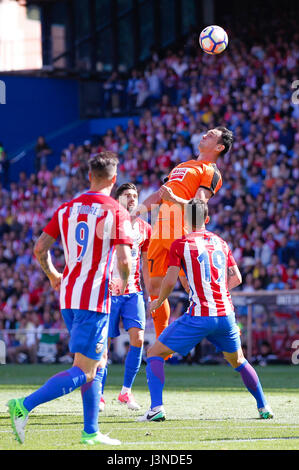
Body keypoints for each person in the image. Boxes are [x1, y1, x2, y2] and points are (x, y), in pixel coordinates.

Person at [7, 152, 133, 446]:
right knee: (85, 369)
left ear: (90, 176)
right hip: (93, 299)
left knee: (97, 363)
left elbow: (40, 248)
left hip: (69, 297)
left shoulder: (67, 209)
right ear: (114, 180)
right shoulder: (116, 212)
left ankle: (90, 432)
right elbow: (125, 261)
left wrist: (53, 275)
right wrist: (122, 282)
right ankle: (24, 405)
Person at [138, 199, 273, 422]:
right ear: (207, 219)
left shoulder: (180, 244)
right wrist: (215, 291)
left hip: (200, 315)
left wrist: (159, 300)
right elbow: (237, 278)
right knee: (239, 360)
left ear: (184, 220)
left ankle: (156, 408)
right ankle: (264, 406)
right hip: (226, 315)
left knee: (154, 353)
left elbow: (170, 280)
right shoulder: (221, 242)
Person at [133, 127, 233, 340]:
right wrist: (135, 213)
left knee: (193, 288)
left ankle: (219, 333)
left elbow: (199, 206)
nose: (205, 134)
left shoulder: (210, 171)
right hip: (160, 229)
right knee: (153, 288)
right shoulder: (182, 166)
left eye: (212, 135)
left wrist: (173, 198)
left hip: (183, 232)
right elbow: (160, 195)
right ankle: (163, 347)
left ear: (219, 147)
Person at [100, 183, 151, 411]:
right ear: (118, 199)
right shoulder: (107, 224)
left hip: (133, 293)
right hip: (109, 293)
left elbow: (146, 266)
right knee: (104, 346)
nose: (132, 199)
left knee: (138, 339)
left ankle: (126, 392)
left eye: (135, 195)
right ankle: (98, 394)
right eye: (127, 195)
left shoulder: (145, 229)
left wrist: (149, 295)